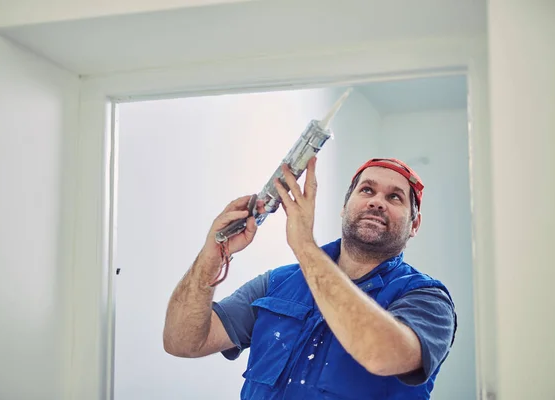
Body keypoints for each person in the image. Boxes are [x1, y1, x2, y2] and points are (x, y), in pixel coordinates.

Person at [163, 157, 457, 400]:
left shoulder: (426, 298)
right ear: (345, 207)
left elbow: (380, 355)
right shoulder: (278, 285)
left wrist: (305, 246)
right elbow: (182, 342)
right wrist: (210, 259)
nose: (377, 202)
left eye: (394, 197)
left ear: (414, 224)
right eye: (367, 190)